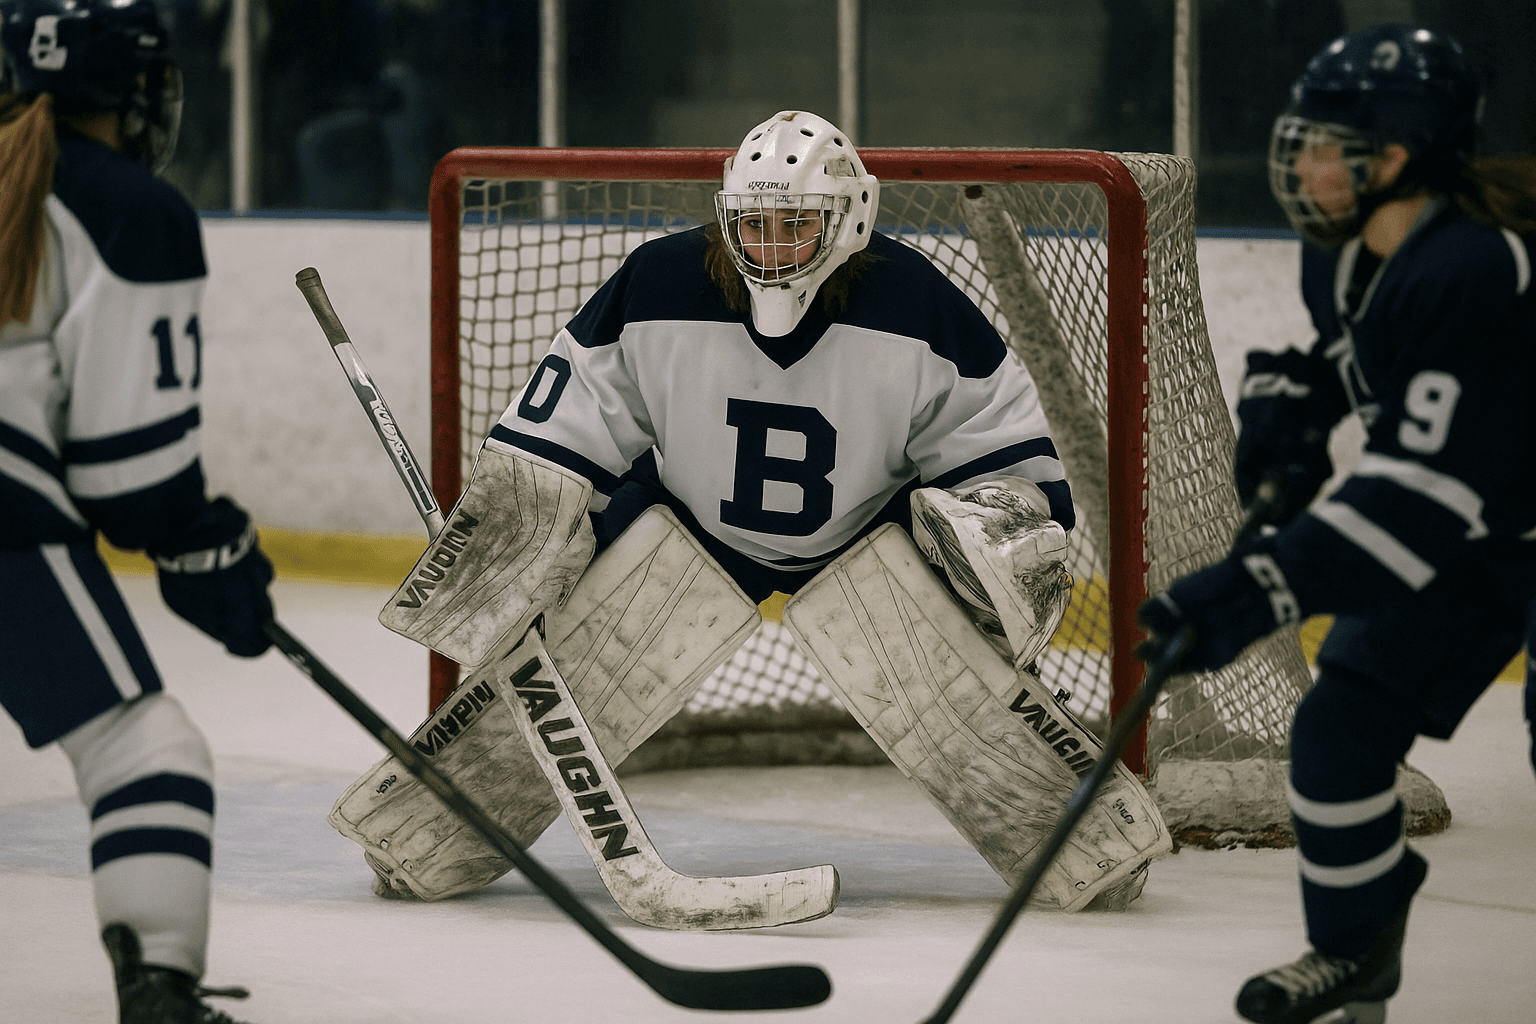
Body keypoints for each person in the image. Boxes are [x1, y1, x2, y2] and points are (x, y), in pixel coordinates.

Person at [334, 109, 1174, 917]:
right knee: (554, 676)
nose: (770, 248)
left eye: (795, 225)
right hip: (687, 524)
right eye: (754, 225)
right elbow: (565, 425)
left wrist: (994, 540)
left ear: (848, 222)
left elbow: (1008, 464)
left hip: (865, 538)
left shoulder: (917, 302)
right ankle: (427, 827)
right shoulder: (658, 281)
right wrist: (519, 532)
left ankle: (1091, 840)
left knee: (1000, 746)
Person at [1137, 25, 1536, 1024]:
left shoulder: (1475, 267)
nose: (1300, 159)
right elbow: (1389, 386)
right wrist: (1307, 403)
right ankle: (1355, 950)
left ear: (1394, 156)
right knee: (1342, 727)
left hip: (1481, 523)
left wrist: (1256, 586)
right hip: (1484, 528)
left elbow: (1408, 508)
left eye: (1326, 142)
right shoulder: (1347, 261)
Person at [1, 2, 276, 1021]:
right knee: (145, 752)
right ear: (139, 89)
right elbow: (132, 482)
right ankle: (159, 986)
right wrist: (208, 551)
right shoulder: (126, 205)